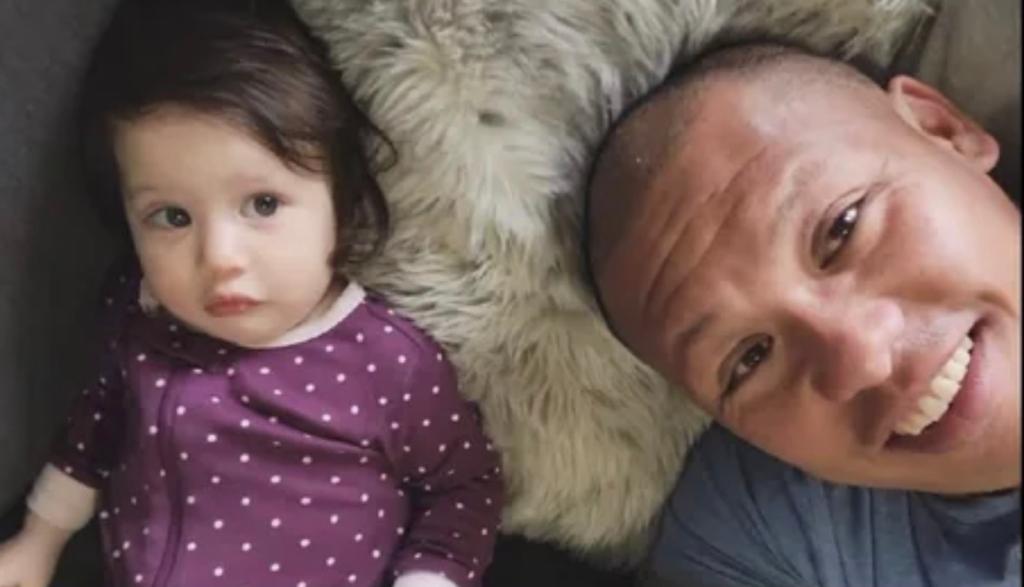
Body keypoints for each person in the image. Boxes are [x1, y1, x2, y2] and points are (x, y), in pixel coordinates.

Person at [0, 1, 503, 586]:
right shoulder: (139, 315)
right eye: (171, 216)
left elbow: (464, 484)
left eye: (263, 204)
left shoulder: (387, 361)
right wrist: (39, 541)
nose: (220, 258)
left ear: (340, 202)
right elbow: (95, 429)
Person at [583, 41, 1020, 586]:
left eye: (842, 229)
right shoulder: (759, 534)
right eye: (750, 359)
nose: (862, 360)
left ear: (944, 131)